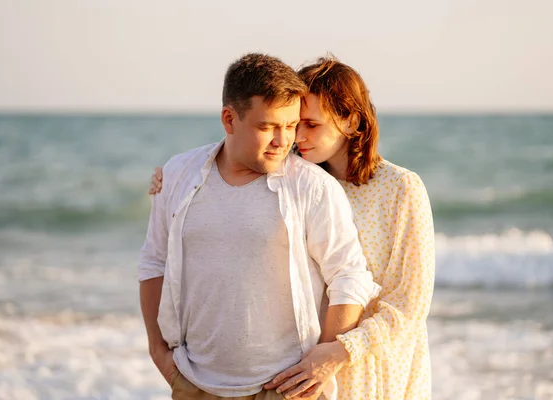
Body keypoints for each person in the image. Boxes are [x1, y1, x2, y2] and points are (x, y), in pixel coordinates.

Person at [150, 56, 435, 400]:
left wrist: (340, 351)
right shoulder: (304, 179)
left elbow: (409, 303)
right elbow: (245, 134)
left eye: (310, 125)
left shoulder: (400, 188)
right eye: (295, 123)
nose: (295, 137)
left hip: (368, 363)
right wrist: (173, 174)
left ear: (351, 121)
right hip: (304, 366)